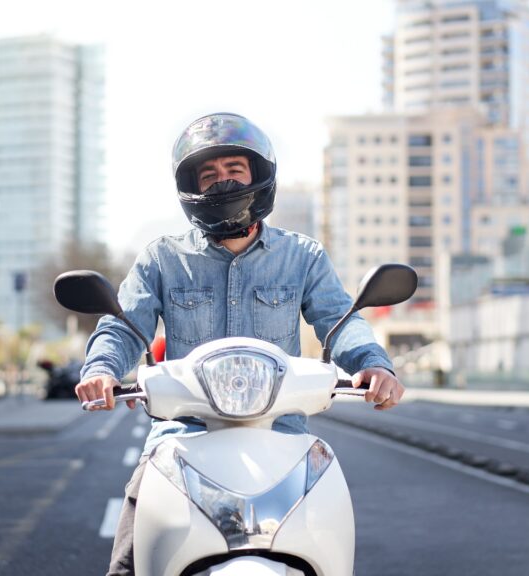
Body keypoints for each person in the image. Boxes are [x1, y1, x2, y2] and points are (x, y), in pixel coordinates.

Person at [76, 112, 404, 576]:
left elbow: (339, 320)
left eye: (234, 171)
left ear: (258, 178)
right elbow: (125, 326)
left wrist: (374, 364)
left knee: (331, 546)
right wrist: (101, 370)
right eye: (207, 176)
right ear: (191, 188)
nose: (221, 183)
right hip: (183, 438)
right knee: (129, 560)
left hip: (282, 436)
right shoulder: (163, 258)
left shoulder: (302, 256)